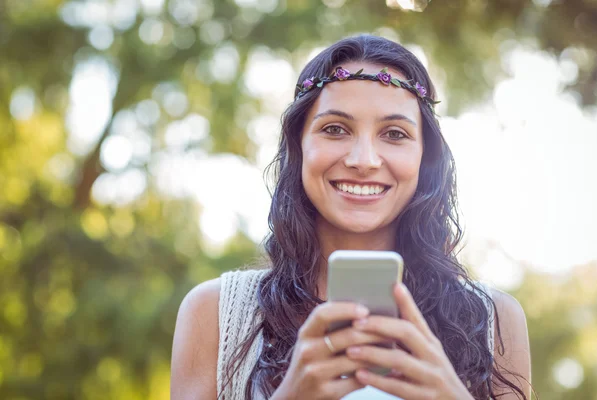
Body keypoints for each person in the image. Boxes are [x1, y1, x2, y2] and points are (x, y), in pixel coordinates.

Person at [170, 35, 531, 400]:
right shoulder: (213, 314)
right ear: (298, 147)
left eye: (394, 134)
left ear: (426, 158)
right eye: (335, 129)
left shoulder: (495, 319)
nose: (364, 160)